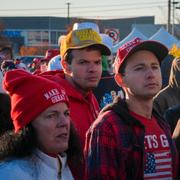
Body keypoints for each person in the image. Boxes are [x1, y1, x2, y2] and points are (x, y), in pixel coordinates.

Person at [84, 37, 178, 179]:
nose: (151, 74)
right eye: (139, 68)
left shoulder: (161, 122)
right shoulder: (107, 127)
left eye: (154, 66)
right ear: (120, 79)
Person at [41, 28, 111, 180]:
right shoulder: (51, 100)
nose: (93, 69)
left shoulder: (88, 94)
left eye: (97, 62)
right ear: (66, 65)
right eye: (84, 62)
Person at [0, 69, 82, 179]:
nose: (64, 123)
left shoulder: (62, 162)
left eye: (66, 113)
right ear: (27, 126)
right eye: (52, 115)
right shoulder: (12, 174)